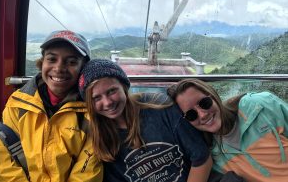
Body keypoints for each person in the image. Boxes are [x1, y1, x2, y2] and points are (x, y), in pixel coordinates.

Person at [78, 59, 213, 182]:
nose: (107, 102)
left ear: (124, 87)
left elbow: (201, 159)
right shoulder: (101, 139)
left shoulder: (160, 107)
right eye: (96, 98)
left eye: (112, 91)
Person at [0, 30, 103, 181]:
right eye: (52, 59)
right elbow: (4, 157)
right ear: (42, 62)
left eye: (71, 62)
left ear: (83, 68)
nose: (59, 68)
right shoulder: (18, 104)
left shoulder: (90, 113)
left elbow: (87, 170)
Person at [167, 78, 288, 182]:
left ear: (213, 95)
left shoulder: (261, 106)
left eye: (204, 103)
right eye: (191, 115)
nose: (202, 115)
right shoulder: (214, 154)